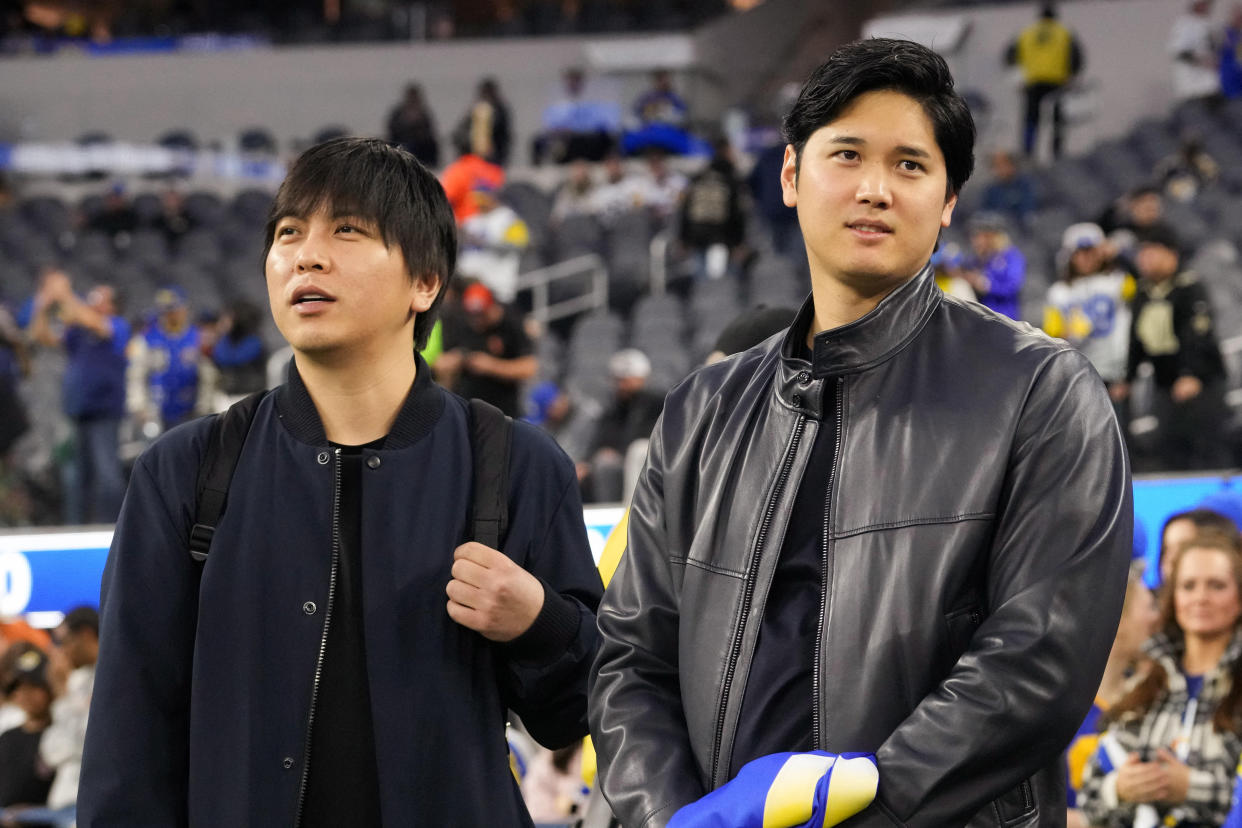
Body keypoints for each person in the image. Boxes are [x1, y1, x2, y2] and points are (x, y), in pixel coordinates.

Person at [589, 37, 1132, 828]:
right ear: (790, 176)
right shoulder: (701, 410)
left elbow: (1036, 663)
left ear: (948, 201)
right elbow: (632, 661)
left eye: (911, 165)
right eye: (846, 154)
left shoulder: (1041, 391)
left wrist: (865, 810)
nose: (875, 188)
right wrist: (675, 820)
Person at [78, 137, 603, 826]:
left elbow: (576, 715)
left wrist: (539, 622)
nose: (306, 254)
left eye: (347, 230)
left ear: (426, 282)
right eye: (288, 232)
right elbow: (128, 740)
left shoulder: (517, 464)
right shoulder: (185, 472)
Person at [1078, 534, 1242, 827]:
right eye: (1188, 586)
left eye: (1217, 586)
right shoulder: (1143, 689)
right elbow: (1088, 799)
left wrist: (1189, 788)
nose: (1200, 597)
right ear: (1174, 597)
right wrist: (1119, 789)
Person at [1113, 225, 1228, 471]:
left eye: (1151, 253)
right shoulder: (1143, 293)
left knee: (1205, 443)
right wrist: (1128, 378)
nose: (1144, 259)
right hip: (1164, 381)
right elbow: (1137, 339)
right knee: (1168, 443)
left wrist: (1190, 374)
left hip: (1201, 381)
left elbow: (1197, 335)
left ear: (1171, 254)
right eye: (1142, 254)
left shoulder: (1189, 287)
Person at [28, 270, 129, 525]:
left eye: (100, 298)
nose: (93, 301)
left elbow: (98, 325)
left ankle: (112, 526)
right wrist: (42, 306)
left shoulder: (117, 325)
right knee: (76, 475)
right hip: (78, 408)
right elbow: (43, 337)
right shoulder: (79, 329)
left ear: (113, 305)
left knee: (107, 472)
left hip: (105, 410)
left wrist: (65, 293)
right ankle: (76, 527)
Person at [1066, 563, 1160, 828]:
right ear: (1115, 618)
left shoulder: (1153, 703)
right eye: (1150, 607)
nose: (1158, 618)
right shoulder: (1055, 707)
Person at [1043, 222, 1136, 390]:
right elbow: (1052, 336)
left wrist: (1119, 254)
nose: (1087, 258)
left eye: (1092, 252)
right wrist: (1071, 332)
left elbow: (1142, 281)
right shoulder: (1059, 292)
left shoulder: (1118, 281)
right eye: (1080, 253)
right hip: (1078, 372)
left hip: (1115, 373)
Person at [30, 606, 98, 827]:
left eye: (65, 641)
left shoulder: (113, 678)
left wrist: (62, 696)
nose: (62, 651)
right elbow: (52, 754)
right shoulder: (76, 681)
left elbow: (86, 746)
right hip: (61, 806)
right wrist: (61, 696)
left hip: (91, 804)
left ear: (86, 634)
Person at [436, 282, 537, 418]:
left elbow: (529, 368)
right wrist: (458, 359)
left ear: (492, 307)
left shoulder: (509, 323)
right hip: (468, 410)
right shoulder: (462, 324)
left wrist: (491, 366)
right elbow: (441, 364)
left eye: (480, 314)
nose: (476, 320)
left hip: (503, 411)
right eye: (472, 315)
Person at [1004, 2, 1084, 158]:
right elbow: (1077, 58)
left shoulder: (1027, 32)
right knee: (1058, 119)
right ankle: (1057, 153)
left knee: (1031, 118)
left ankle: (1028, 152)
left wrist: (1018, 77)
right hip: (1057, 82)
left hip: (1032, 82)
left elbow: (1009, 56)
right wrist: (1071, 75)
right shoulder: (1064, 32)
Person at [128, 285, 209, 433]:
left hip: (190, 411)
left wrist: (204, 406)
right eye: (166, 310)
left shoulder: (198, 337)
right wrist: (139, 406)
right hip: (156, 411)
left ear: (185, 308)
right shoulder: (147, 339)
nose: (170, 314)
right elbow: (136, 375)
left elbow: (208, 376)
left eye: (174, 309)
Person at [455, 182, 530, 303]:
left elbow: (520, 246)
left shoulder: (509, 219)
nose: (479, 203)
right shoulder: (470, 221)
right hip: (467, 284)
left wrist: (485, 243)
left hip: (495, 285)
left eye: (482, 197)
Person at [0, 649, 54, 813]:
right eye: (20, 688)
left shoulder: (58, 736)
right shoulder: (7, 737)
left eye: (34, 687)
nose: (26, 695)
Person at [961, 212, 1026, 320]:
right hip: (981, 317)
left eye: (985, 235)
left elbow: (1013, 286)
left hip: (1005, 318)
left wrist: (988, 286)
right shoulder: (976, 259)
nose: (979, 240)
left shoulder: (1011, 257)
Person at [1169, 0, 1222, 110]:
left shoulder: (1209, 24)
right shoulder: (1184, 24)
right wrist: (1202, 61)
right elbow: (1179, 52)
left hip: (1211, 85)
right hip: (1193, 87)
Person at [455, 77, 513, 167]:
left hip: (493, 158)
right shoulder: (474, 110)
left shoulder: (500, 111)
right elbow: (461, 132)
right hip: (473, 158)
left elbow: (504, 136)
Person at [979, 149, 1038, 230]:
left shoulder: (1025, 185)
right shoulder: (990, 190)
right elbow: (984, 213)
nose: (1000, 170)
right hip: (997, 230)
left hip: (1021, 230)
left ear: (1013, 165)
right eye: (996, 166)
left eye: (1004, 165)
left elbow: (1028, 211)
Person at [386, 82, 440, 168]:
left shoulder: (423, 113)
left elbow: (429, 131)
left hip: (420, 145)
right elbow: (392, 129)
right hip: (401, 143)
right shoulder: (398, 113)